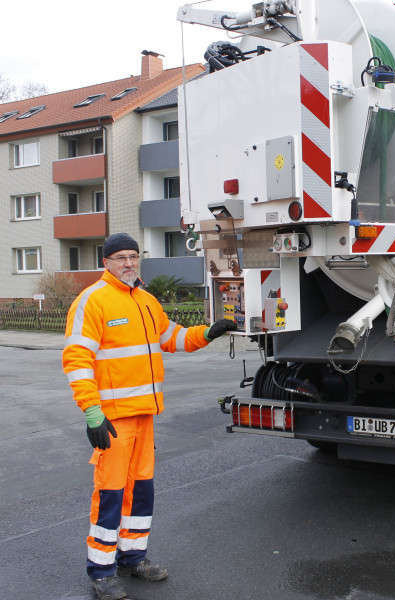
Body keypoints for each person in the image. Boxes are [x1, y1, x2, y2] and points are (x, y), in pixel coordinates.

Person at [62, 232, 236, 600]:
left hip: (144, 416)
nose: (129, 263)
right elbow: (77, 360)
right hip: (112, 419)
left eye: (134, 256)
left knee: (140, 493)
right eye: (121, 257)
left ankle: (132, 558)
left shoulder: (145, 300)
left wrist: (207, 332)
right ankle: (101, 571)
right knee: (109, 494)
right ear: (105, 262)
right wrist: (92, 411)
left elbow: (171, 337)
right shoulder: (91, 301)